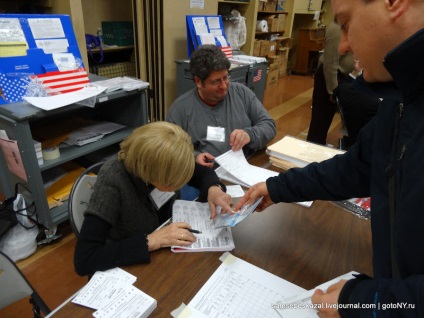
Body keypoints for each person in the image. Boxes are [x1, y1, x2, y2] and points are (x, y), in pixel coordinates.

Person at [236, 0, 424, 316]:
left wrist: (366, 301)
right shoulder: (402, 93)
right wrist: (278, 187)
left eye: (346, 23)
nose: (345, 44)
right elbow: (359, 166)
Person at [74, 122, 233, 277]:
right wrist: (151, 241)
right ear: (151, 173)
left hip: (164, 251)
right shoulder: (112, 181)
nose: (177, 186)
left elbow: (200, 173)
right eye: (172, 184)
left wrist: (214, 188)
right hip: (125, 264)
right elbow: (85, 259)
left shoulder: (164, 160)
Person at [167, 44, 276, 169]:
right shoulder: (180, 110)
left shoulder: (241, 93)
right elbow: (170, 150)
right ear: (198, 82)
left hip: (247, 165)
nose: (224, 86)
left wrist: (249, 135)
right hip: (207, 175)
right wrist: (194, 157)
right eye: (216, 81)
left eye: (225, 77)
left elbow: (269, 125)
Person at [306, 21, 355, 145]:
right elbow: (330, 63)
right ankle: (313, 146)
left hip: (342, 77)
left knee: (327, 117)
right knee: (320, 119)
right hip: (329, 78)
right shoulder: (336, 29)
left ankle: (318, 144)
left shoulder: (350, 26)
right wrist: (333, 90)